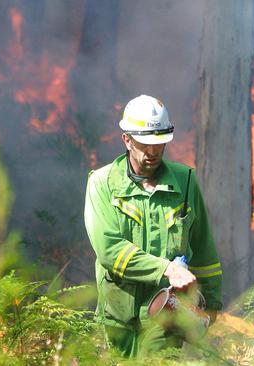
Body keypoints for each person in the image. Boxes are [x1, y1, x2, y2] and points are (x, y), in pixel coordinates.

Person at [84, 95, 222, 357]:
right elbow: (109, 249)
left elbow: (204, 250)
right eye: (145, 143)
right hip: (119, 319)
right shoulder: (102, 183)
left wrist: (212, 305)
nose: (153, 151)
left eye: (159, 144)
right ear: (127, 139)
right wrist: (166, 269)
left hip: (167, 318)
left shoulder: (185, 181)